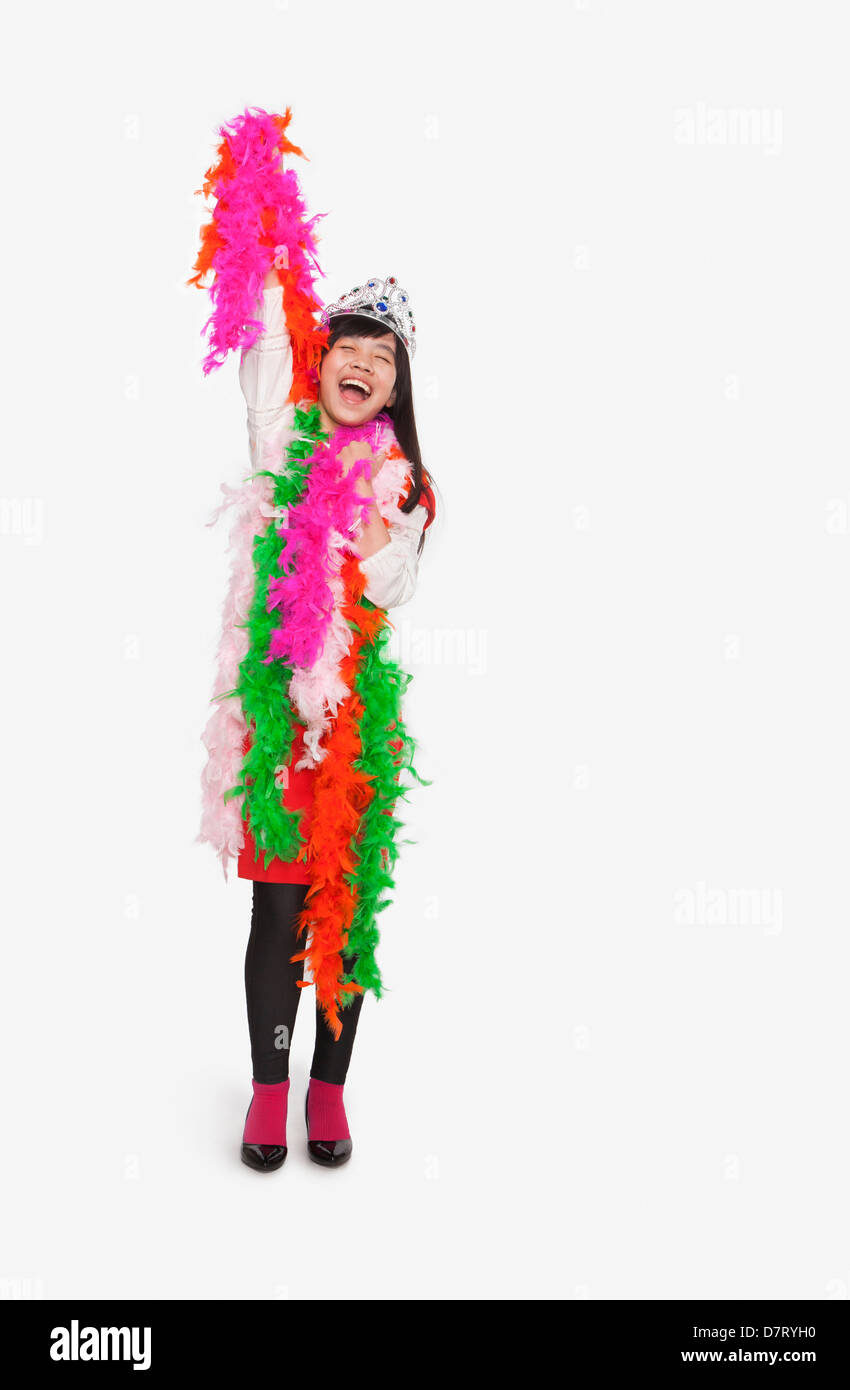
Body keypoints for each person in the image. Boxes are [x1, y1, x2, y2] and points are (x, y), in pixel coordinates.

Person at [190, 107, 436, 1173]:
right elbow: (260, 338)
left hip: (350, 734)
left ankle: (329, 1094)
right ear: (322, 359)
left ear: (394, 388)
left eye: (382, 360)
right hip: (275, 716)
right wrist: (258, 206)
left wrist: (385, 532)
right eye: (350, 348)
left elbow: (393, 585)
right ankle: (265, 1090)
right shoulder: (282, 434)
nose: (362, 366)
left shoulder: (405, 485)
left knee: (341, 907)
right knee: (273, 908)